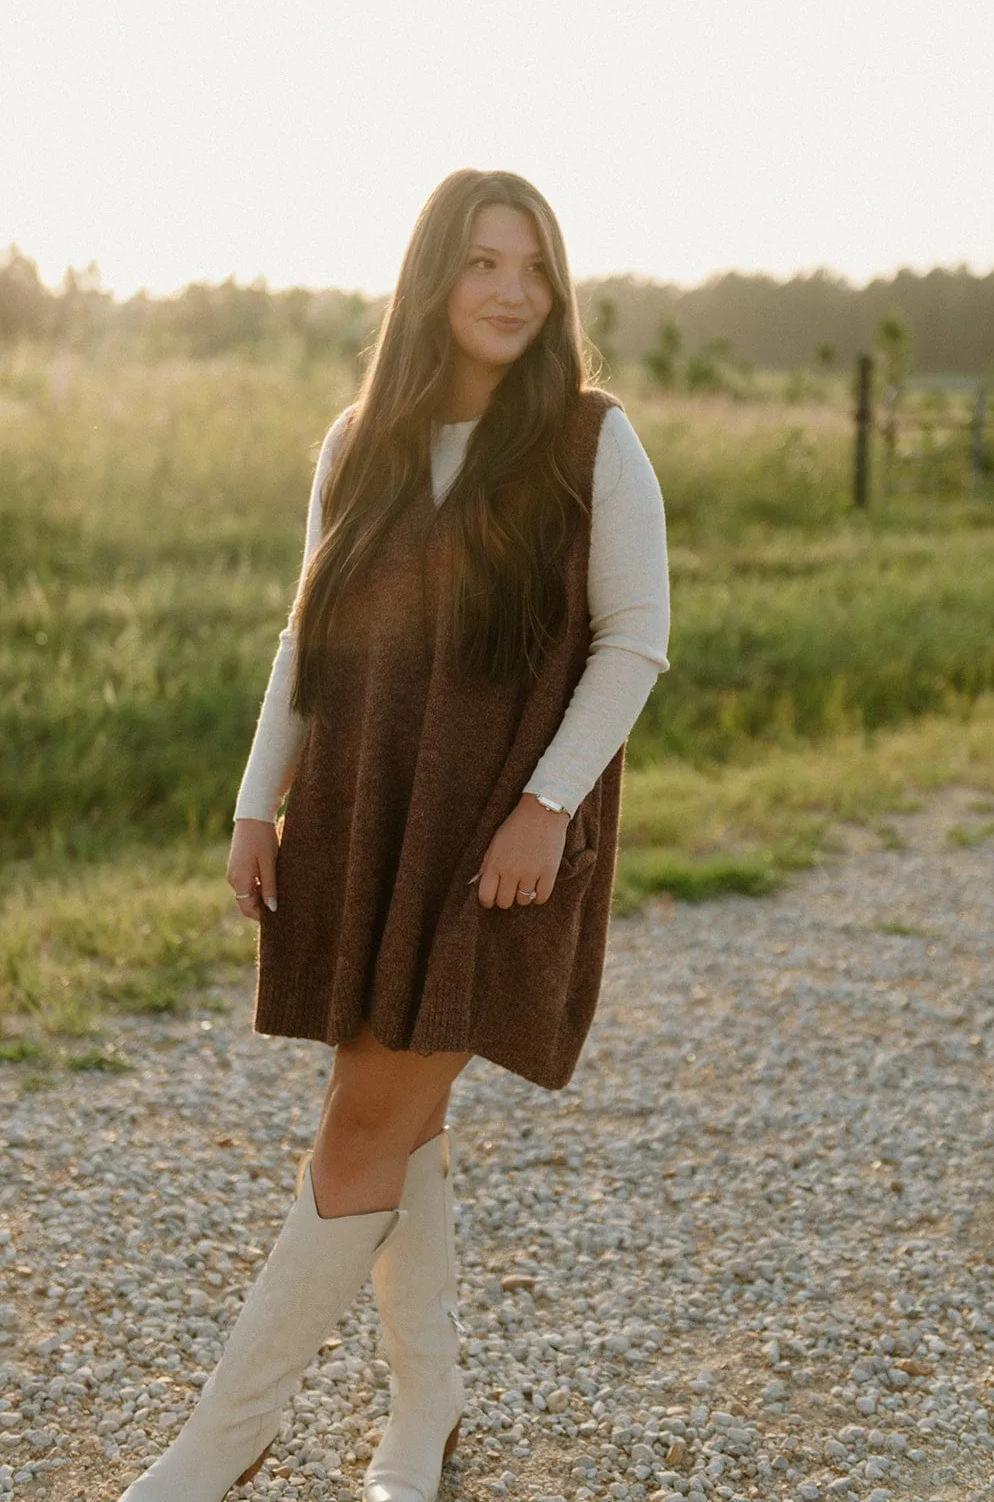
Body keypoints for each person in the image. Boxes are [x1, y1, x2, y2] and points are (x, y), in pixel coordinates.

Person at [118, 168, 671, 1502]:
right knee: (391, 1119)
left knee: (365, 1120)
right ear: (434, 278)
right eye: (484, 263)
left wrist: (546, 807)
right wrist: (262, 803)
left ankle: (219, 1443)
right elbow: (307, 639)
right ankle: (426, 1413)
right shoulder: (358, 439)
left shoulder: (595, 441)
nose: (511, 292)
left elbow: (634, 642)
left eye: (534, 268)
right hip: (364, 825)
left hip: (498, 843)